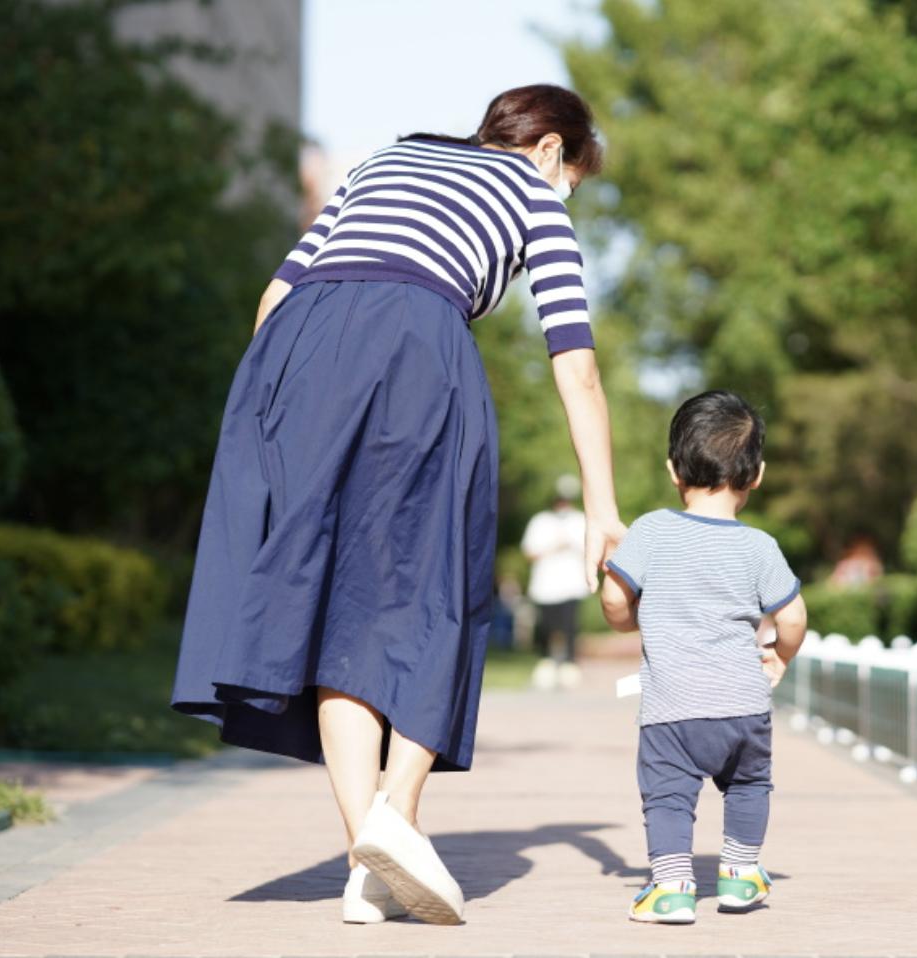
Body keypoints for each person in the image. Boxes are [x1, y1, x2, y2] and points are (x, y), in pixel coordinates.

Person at [170, 84, 625, 927]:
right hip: (417, 342)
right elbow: (575, 360)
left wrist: (269, 431)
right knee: (438, 587)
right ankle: (393, 815)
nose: (570, 197)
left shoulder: (385, 157)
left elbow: (275, 297)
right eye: (576, 180)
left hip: (300, 349)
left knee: (342, 609)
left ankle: (369, 861)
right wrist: (603, 506)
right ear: (555, 151)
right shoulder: (534, 190)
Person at [600, 390, 808, 925]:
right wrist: (779, 658)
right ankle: (740, 876)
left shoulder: (650, 531)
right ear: (755, 474)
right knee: (749, 785)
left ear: (674, 469)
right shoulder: (760, 546)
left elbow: (615, 600)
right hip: (744, 706)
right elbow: (792, 619)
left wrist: (628, 618)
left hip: (672, 709)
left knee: (668, 797)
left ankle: (671, 887)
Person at [521, 474, 589, 689]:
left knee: (569, 626)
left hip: (571, 585)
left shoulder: (580, 520)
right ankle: (547, 662)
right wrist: (554, 546)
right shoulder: (541, 521)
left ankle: (569, 665)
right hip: (545, 586)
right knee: (545, 626)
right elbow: (529, 552)